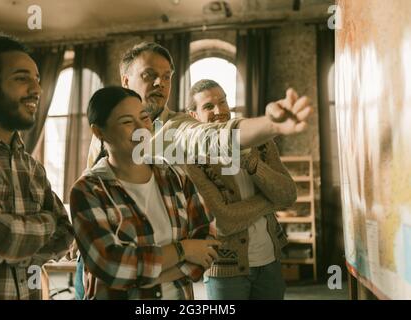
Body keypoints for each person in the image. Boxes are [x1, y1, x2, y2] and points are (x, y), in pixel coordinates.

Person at [70, 86, 220, 300]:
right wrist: (184, 249)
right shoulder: (88, 190)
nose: (142, 129)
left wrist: (143, 276)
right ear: (99, 131)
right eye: (127, 122)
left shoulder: (174, 176)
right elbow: (112, 266)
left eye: (144, 118)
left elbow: (207, 242)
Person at [0, 32, 74, 300]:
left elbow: (66, 234)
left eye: (37, 79)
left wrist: (15, 243)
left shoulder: (32, 167)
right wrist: (47, 221)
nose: (37, 89)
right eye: (22, 78)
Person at [87, 41, 312, 168]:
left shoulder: (176, 129)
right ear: (125, 80)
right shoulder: (103, 132)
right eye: (149, 75)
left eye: (167, 76)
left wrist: (272, 126)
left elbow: (215, 137)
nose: (161, 83)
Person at [185, 79, 297, 299]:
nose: (220, 111)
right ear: (193, 115)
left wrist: (254, 164)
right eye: (208, 106)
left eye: (223, 101)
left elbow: (288, 195)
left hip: (270, 262)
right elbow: (224, 222)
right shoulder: (192, 157)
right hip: (224, 271)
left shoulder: (259, 141)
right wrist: (270, 201)